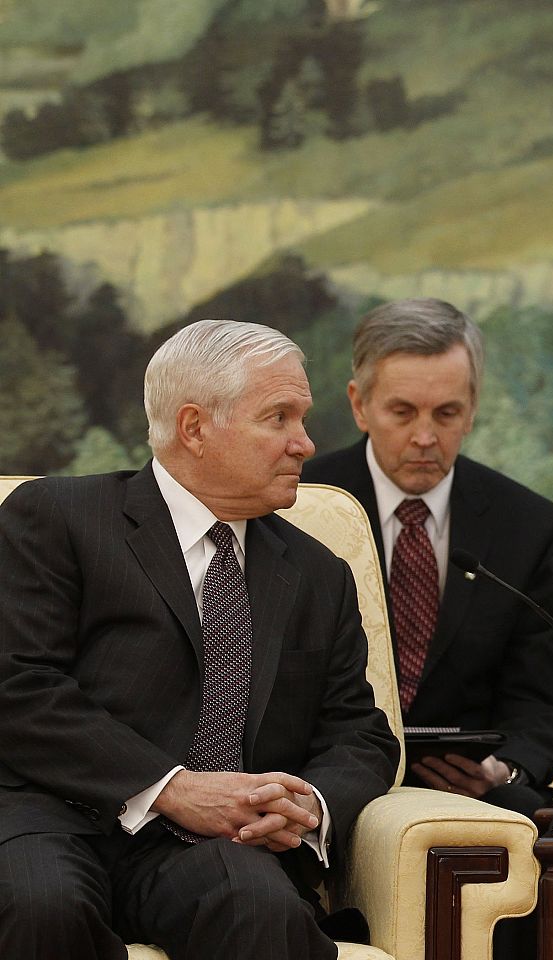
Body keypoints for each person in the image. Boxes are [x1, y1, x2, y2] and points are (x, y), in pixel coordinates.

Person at [0, 320, 399, 960]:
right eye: (279, 418)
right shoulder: (57, 518)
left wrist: (310, 804)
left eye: (303, 418)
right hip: (55, 814)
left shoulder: (319, 575)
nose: (306, 442)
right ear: (194, 427)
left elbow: (359, 731)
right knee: (42, 904)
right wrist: (172, 787)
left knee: (261, 907)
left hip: (216, 849)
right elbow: (19, 687)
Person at [303, 297, 553, 817]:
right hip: (319, 783)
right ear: (360, 405)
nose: (425, 437)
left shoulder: (529, 526)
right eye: (402, 412)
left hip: (466, 797)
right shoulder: (300, 504)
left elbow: (542, 706)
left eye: (446, 413)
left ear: (472, 408)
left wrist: (503, 769)